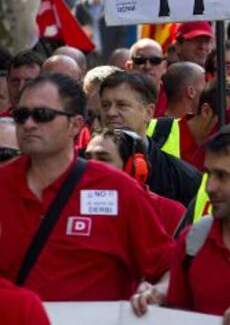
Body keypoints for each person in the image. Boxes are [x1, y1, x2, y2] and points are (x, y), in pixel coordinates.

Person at [0, 73, 173, 301]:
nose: (29, 124)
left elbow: (169, 266)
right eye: (21, 115)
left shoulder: (117, 189)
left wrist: (158, 291)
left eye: (43, 115)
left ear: (76, 124)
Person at [133, 125, 230, 325]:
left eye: (222, 176)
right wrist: (157, 295)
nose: (210, 186)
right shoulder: (193, 241)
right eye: (208, 174)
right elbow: (176, 315)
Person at [99, 70, 202, 205]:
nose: (110, 113)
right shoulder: (80, 166)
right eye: (105, 105)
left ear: (149, 112)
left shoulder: (184, 178)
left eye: (122, 105)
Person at [85, 128, 185, 235]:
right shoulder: (77, 204)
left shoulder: (171, 213)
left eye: (103, 159)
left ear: (134, 167)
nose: (91, 166)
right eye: (88, 158)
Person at [126, 38, 167, 116]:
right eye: (140, 61)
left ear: (164, 67)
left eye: (155, 61)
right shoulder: (119, 97)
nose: (147, 66)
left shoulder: (175, 96)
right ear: (129, 67)